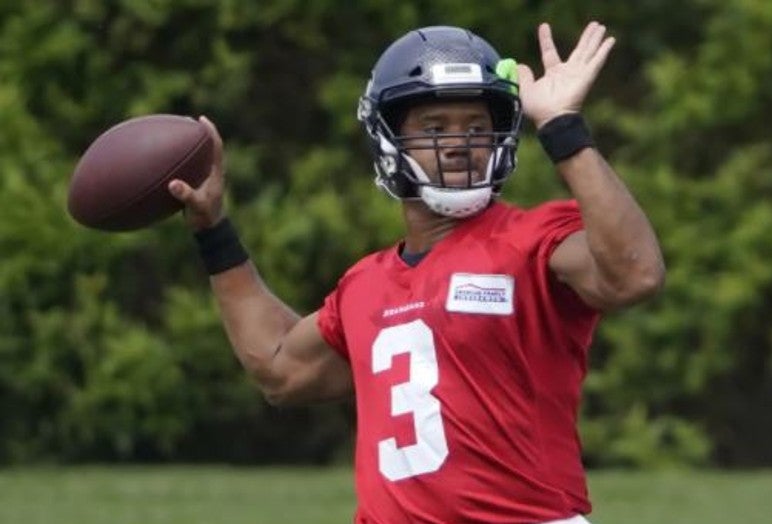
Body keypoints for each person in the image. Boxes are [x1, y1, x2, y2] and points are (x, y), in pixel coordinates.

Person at [168, 21, 665, 524]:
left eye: (476, 127)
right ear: (389, 139)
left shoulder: (533, 239)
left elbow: (635, 274)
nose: (459, 143)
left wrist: (562, 127)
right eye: (434, 127)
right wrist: (213, 230)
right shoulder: (365, 284)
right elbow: (280, 369)